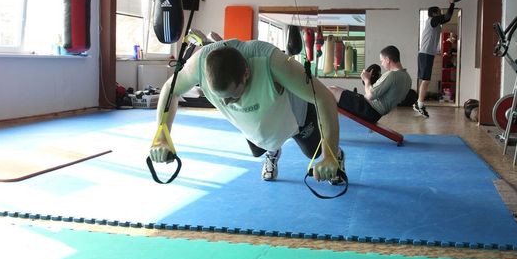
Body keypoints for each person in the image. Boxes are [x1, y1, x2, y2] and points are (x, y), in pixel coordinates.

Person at [149, 39, 345, 184]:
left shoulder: (272, 61)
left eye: (233, 95)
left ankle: (336, 154)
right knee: (258, 148)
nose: (226, 102)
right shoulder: (198, 64)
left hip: (296, 117)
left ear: (246, 73)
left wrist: (328, 155)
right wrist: (161, 136)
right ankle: (272, 150)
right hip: (255, 124)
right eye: (220, 97)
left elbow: (324, 98)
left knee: (314, 151)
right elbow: (169, 89)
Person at [328, 45, 411, 123]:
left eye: (382, 61)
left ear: (388, 59)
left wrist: (366, 79)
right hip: (375, 112)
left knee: (330, 91)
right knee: (334, 88)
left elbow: (369, 96)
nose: (381, 64)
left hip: (368, 109)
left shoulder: (391, 75)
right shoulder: (407, 78)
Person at [414, 0, 456, 118]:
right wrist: (452, 3)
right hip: (426, 54)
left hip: (426, 54)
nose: (441, 14)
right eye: (439, 12)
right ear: (434, 13)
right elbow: (448, 17)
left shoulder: (434, 22)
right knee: (426, 81)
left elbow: (446, 17)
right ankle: (419, 105)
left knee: (425, 81)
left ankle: (419, 104)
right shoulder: (433, 20)